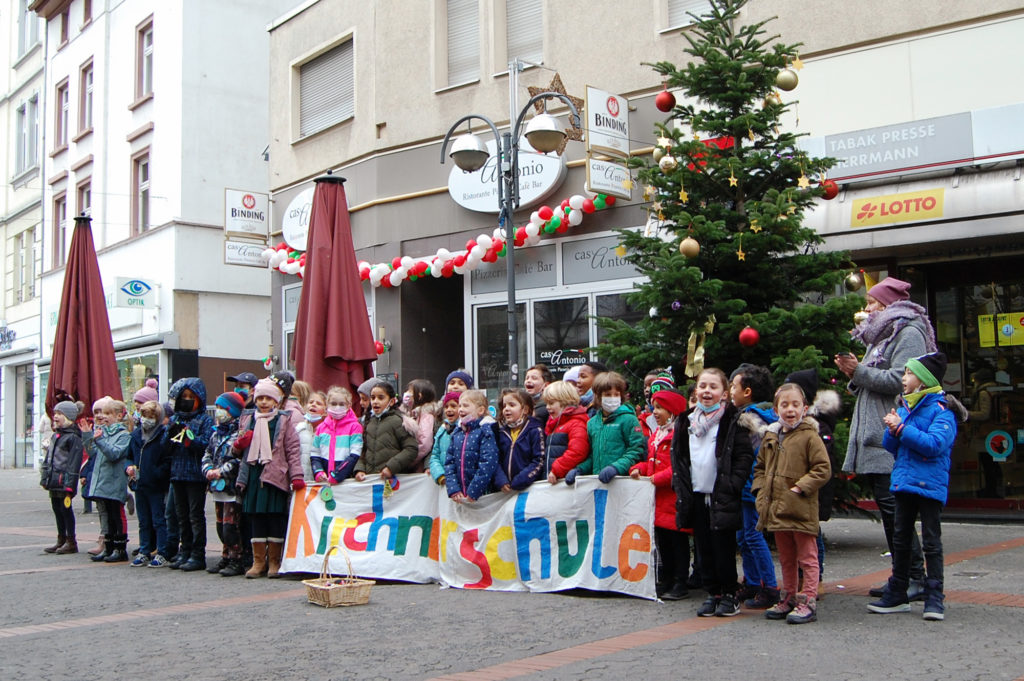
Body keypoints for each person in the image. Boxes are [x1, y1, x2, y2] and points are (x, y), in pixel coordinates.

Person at [836, 276, 935, 599]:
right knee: (891, 509)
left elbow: (902, 379)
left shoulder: (908, 332)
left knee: (896, 511)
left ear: (888, 305)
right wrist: (854, 372)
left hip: (891, 435)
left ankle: (913, 577)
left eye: (872, 303)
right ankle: (903, 577)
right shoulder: (883, 334)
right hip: (878, 432)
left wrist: (859, 372)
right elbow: (873, 376)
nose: (866, 310)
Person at [868, 352, 964, 621]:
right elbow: (892, 447)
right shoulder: (904, 408)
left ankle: (935, 597)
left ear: (923, 380)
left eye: (908, 373)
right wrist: (892, 429)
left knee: (931, 542)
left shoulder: (942, 411)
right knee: (900, 539)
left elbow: (934, 445)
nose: (903, 378)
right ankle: (898, 591)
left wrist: (900, 429)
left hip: (929, 484)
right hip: (904, 481)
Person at [671, 368, 753, 618]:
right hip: (696, 493)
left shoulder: (732, 420)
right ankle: (712, 592)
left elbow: (743, 456)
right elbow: (680, 455)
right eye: (702, 386)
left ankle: (729, 593)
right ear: (696, 390)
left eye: (713, 387)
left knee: (723, 547)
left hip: (721, 495)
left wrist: (732, 485)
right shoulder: (686, 420)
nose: (707, 391)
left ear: (724, 393)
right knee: (703, 547)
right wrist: (681, 484)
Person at [753, 383, 832, 624]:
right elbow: (761, 468)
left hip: (800, 507)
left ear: (805, 408)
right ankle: (787, 596)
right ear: (776, 409)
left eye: (795, 404)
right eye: (784, 405)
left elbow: (822, 468)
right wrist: (760, 491)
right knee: (786, 556)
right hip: (777, 508)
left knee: (807, 556)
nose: (790, 409)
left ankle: (807, 599)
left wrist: (800, 487)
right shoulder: (771, 436)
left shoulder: (809, 436)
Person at [235, 378, 304, 578]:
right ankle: (258, 562)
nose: (264, 402)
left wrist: (296, 475)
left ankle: (274, 560)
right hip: (253, 474)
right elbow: (236, 448)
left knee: (274, 518)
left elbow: (292, 449)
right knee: (256, 518)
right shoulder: (248, 419)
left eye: (268, 398)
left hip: (275, 476)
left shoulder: (283, 420)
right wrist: (239, 444)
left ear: (276, 401)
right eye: (260, 398)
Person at [784, 368, 842, 597]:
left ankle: (815, 579)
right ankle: (799, 579)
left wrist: (805, 484)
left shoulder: (818, 426)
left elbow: (822, 464)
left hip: (810, 492)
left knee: (811, 535)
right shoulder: (789, 424)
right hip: (792, 489)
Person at [630, 387, 690, 600]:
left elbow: (678, 468)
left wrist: (657, 478)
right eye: (654, 407)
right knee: (663, 542)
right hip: (659, 499)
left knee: (678, 542)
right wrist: (639, 468)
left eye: (660, 408)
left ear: (672, 410)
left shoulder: (680, 435)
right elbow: (652, 463)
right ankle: (667, 578)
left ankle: (680, 580)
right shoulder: (657, 435)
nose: (654, 412)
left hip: (673, 498)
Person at [730, 363, 780, 609]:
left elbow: (754, 455)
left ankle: (769, 586)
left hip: (752, 484)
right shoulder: (754, 415)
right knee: (744, 536)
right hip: (746, 484)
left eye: (733, 386)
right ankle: (751, 581)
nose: (730, 391)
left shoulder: (749, 418)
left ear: (747, 391)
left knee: (752, 534)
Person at [163, 378, 215, 572]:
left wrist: (188, 438)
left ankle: (197, 554)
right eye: (183, 397)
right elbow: (165, 448)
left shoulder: (204, 420)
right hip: (177, 473)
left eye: (190, 397)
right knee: (181, 515)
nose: (186, 400)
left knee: (195, 515)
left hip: (194, 475)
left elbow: (205, 444)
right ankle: (184, 551)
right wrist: (169, 434)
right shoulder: (176, 418)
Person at [202, 392, 247, 576]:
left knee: (230, 526)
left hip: (229, 486)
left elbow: (237, 459)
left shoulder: (238, 434)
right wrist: (208, 469)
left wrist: (222, 471)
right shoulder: (215, 434)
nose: (219, 412)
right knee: (220, 525)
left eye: (223, 409)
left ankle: (237, 557)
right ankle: (226, 555)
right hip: (216, 487)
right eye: (218, 408)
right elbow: (207, 453)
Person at [573, 371, 645, 484]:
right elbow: (593, 454)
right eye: (607, 394)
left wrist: (616, 468)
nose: (612, 398)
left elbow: (636, 450)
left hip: (622, 481)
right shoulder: (592, 423)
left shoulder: (629, 419)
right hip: (599, 481)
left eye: (616, 394)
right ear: (598, 396)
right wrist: (580, 469)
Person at [127, 401, 171, 567]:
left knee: (158, 520)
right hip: (140, 484)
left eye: (150, 417)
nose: (146, 420)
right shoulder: (136, 435)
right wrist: (129, 468)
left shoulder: (162, 435)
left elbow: (167, 460)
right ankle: (144, 549)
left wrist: (157, 473)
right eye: (144, 416)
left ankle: (162, 551)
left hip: (156, 484)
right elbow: (129, 456)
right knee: (143, 520)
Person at [90, 399, 134, 563]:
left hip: (115, 482)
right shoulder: (104, 433)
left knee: (116, 514)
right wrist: (91, 435)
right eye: (102, 413)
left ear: (119, 415)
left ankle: (120, 548)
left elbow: (114, 453)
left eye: (108, 413)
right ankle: (108, 547)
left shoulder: (123, 436)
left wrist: (100, 440)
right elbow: (93, 452)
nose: (103, 417)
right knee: (107, 516)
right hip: (103, 481)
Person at [40, 401, 84, 555]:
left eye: (59, 414)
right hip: (54, 480)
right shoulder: (56, 435)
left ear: (69, 417)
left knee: (65, 509)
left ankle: (71, 541)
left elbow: (73, 464)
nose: (55, 416)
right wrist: (45, 477)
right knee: (57, 509)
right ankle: (61, 538)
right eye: (55, 413)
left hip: (63, 481)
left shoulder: (73, 438)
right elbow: (48, 459)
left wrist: (69, 485)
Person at [354, 381, 418, 481]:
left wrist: (391, 467)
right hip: (370, 480)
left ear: (391, 401)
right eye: (373, 397)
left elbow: (411, 449)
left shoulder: (398, 421)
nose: (375, 401)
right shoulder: (369, 422)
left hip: (393, 481)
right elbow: (363, 451)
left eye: (381, 397)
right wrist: (360, 469)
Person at [444, 390, 499, 502]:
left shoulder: (485, 432)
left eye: (465, 405)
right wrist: (453, 488)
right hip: (460, 495)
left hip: (482, 495)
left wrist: (474, 491)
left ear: (480, 410)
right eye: (460, 405)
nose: (460, 409)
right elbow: (449, 463)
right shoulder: (457, 433)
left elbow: (488, 462)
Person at [492, 388, 545, 492]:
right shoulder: (500, 433)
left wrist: (520, 480)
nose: (506, 409)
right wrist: (501, 480)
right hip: (505, 491)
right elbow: (495, 459)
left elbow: (539, 460)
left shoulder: (534, 430)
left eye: (512, 405)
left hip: (528, 488)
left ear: (525, 409)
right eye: (504, 406)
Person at [311, 386, 363, 484]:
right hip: (325, 480)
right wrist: (318, 471)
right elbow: (315, 453)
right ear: (327, 404)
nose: (337, 407)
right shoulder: (321, 428)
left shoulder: (355, 427)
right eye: (333, 404)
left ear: (349, 405)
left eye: (341, 404)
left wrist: (337, 474)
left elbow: (355, 454)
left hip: (346, 481)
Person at [542, 381, 591, 484]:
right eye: (546, 403)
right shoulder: (554, 425)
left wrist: (557, 469)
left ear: (565, 401)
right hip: (554, 479)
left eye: (551, 403)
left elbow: (577, 451)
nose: (547, 407)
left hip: (566, 481)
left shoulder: (576, 423)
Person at [81, 396, 112, 556]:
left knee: (109, 510)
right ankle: (103, 537)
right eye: (96, 412)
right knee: (101, 508)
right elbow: (91, 453)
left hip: (110, 477)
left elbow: (111, 453)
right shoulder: (97, 431)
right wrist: (87, 435)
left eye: (103, 412)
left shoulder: (114, 431)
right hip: (97, 475)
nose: (100, 415)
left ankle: (107, 540)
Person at [402, 378, 438, 471]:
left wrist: (407, 460)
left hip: (418, 466)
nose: (406, 393)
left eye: (410, 391)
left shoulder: (426, 416)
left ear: (419, 395)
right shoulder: (410, 413)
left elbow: (425, 443)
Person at [429, 392, 461, 486]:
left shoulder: (466, 430)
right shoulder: (442, 430)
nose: (449, 410)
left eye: (453, 406)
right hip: (445, 482)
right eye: (446, 407)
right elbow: (435, 455)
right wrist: (440, 475)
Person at [639, 369, 672, 440]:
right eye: (645, 387)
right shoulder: (642, 422)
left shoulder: (681, 422)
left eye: (651, 385)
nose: (647, 390)